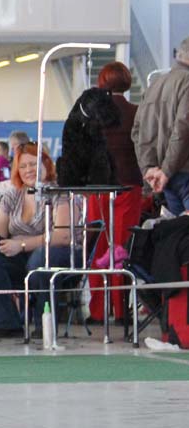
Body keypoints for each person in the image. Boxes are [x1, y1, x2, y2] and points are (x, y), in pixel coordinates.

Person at [0, 142, 82, 339]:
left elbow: (62, 236)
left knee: (40, 257)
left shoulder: (60, 192)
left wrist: (22, 244)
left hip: (61, 255)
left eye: (33, 164)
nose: (28, 170)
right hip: (23, 258)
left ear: (46, 164)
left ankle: (45, 324)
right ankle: (7, 323)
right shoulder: (13, 195)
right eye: (23, 166)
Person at [85, 62, 143, 325]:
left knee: (99, 246)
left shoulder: (92, 113)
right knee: (121, 247)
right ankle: (121, 311)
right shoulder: (137, 112)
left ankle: (98, 310)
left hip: (99, 187)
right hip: (129, 185)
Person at [133, 35, 189, 215]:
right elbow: (183, 129)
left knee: (179, 236)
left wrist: (149, 168)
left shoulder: (155, 84)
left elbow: (137, 132)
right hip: (181, 171)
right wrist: (165, 170)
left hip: (165, 178)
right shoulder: (187, 82)